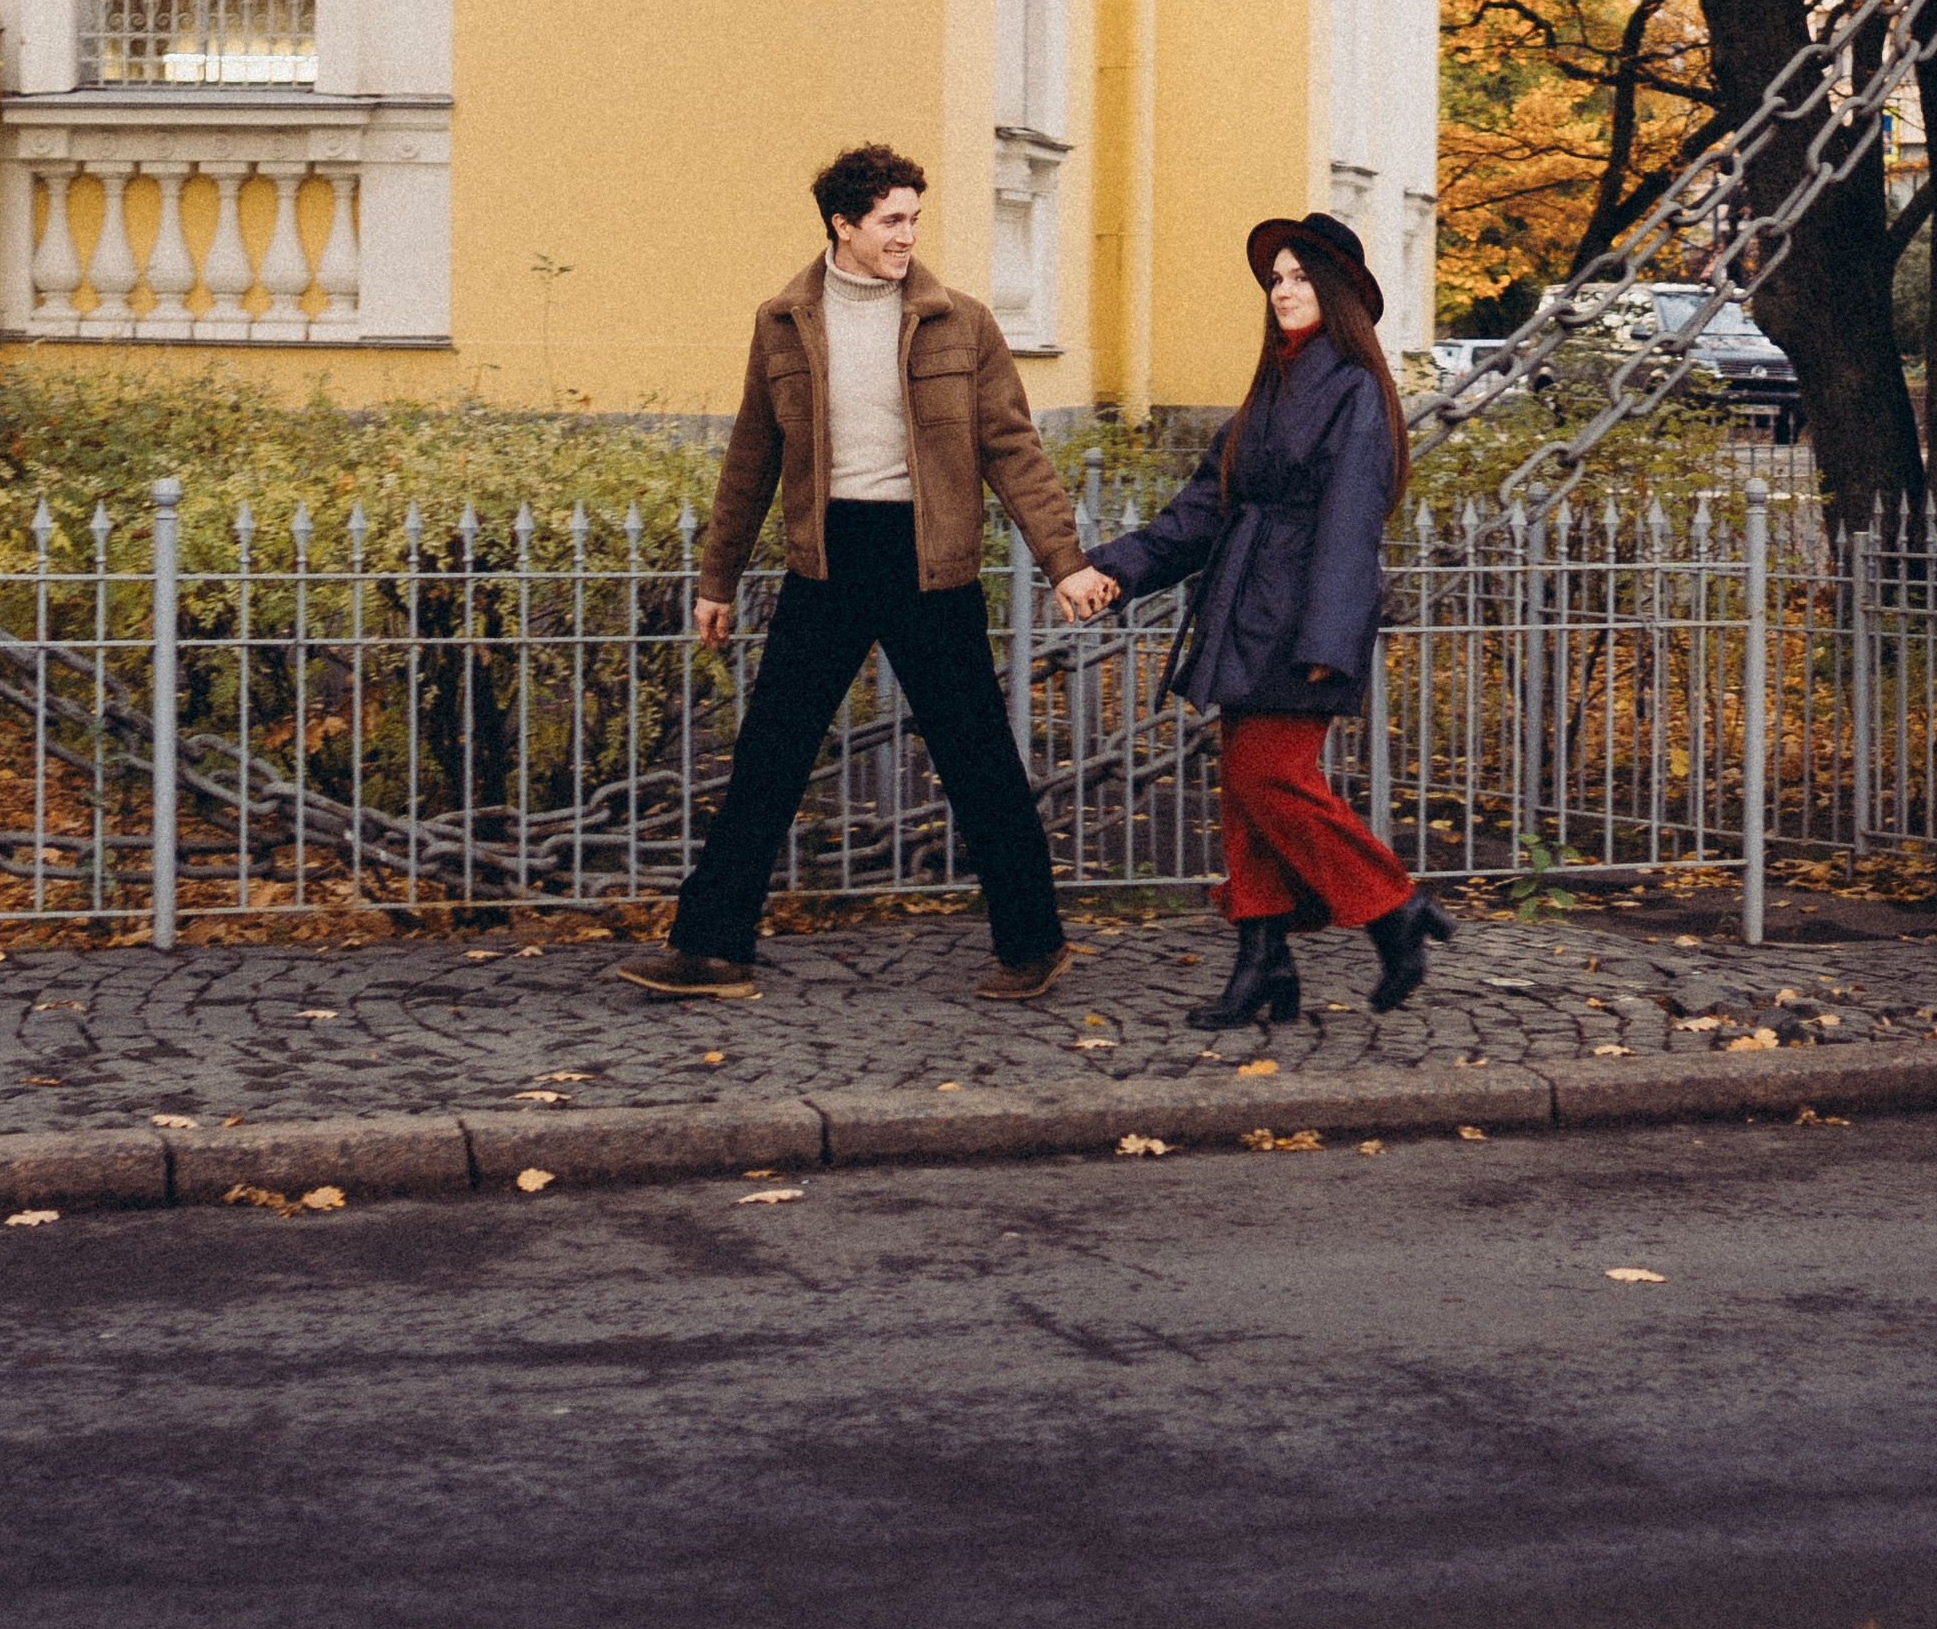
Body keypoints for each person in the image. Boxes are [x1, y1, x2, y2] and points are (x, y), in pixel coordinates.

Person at [617, 144, 1115, 1003]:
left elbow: (1013, 450)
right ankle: (711, 949)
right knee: (770, 755)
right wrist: (716, 580)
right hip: (828, 561)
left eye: (914, 219)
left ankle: (1033, 944)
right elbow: (750, 459)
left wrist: (1064, 562)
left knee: (977, 759)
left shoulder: (960, 321)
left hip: (931, 564)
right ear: (842, 227)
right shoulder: (783, 323)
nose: (907, 236)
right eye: (891, 220)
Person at [1081, 212, 1450, 1025]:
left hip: (1303, 617)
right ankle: (1264, 963)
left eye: (1300, 277)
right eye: (1276, 279)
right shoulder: (1272, 388)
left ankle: (1393, 906)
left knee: (1269, 776)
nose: (1283, 290)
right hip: (1246, 609)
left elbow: (1352, 522)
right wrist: (1112, 570)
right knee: (1243, 791)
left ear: (1341, 293)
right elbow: (1202, 510)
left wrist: (1327, 640)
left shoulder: (1353, 390)